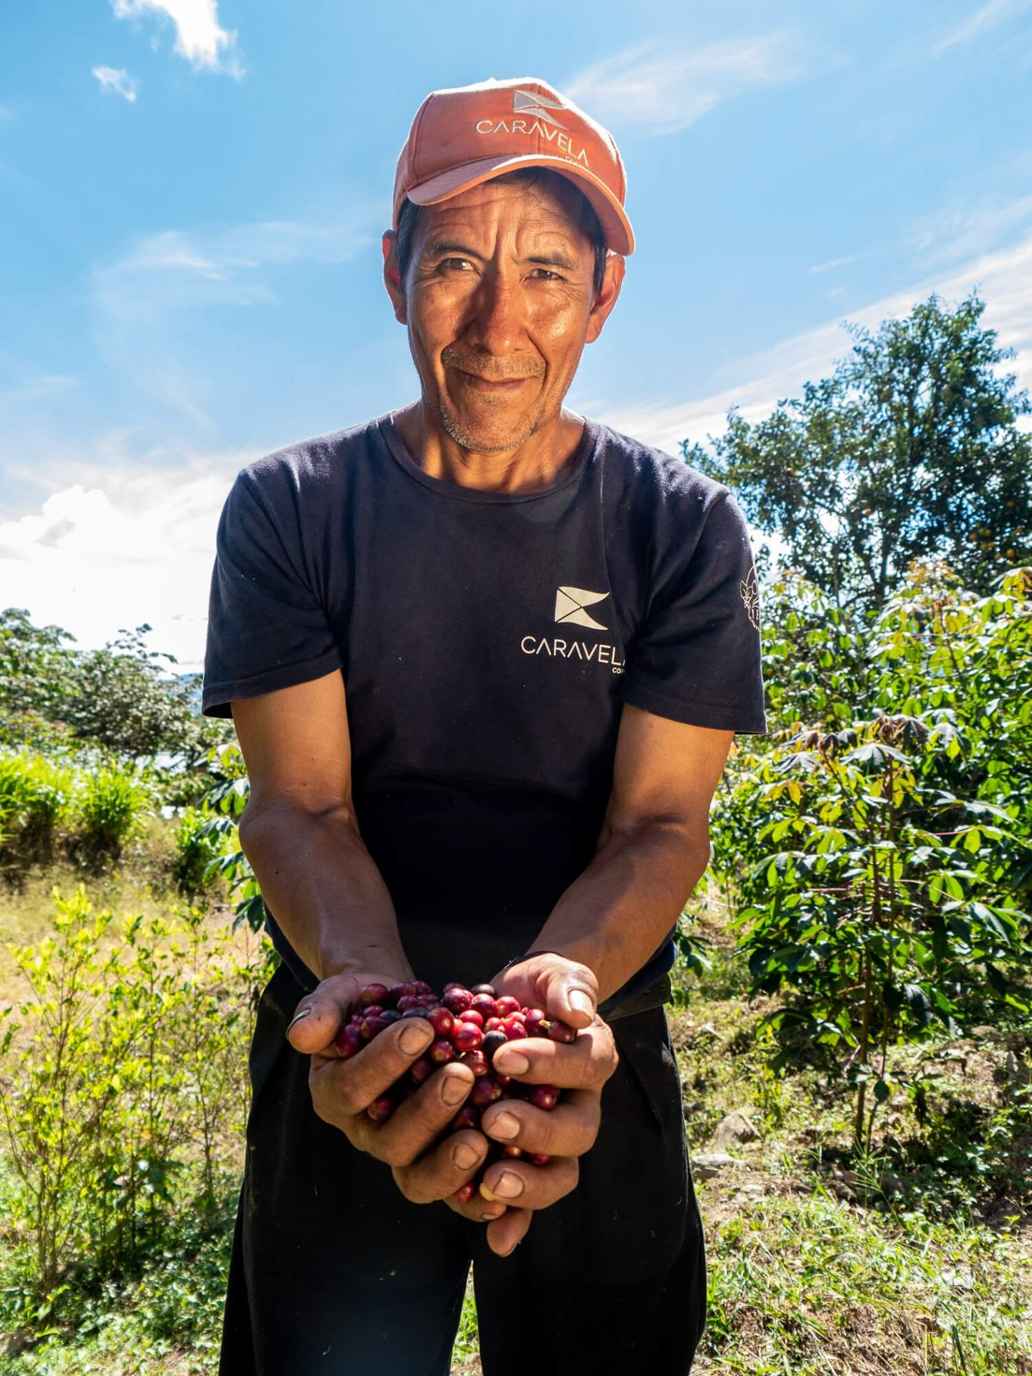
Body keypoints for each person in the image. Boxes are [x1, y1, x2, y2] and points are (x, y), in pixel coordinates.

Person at [202, 75, 765, 1376]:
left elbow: (661, 821)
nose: (499, 325)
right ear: (396, 271)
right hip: (348, 1051)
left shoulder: (679, 530)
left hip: (591, 1051)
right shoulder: (290, 512)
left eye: (549, 274)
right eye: (456, 261)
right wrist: (380, 1006)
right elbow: (303, 807)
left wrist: (557, 992)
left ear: (603, 297)